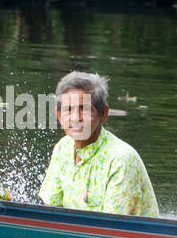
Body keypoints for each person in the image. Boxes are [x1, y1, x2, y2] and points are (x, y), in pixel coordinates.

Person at [38, 71, 160, 217]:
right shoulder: (62, 148)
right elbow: (52, 210)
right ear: (58, 115)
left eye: (85, 109)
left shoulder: (121, 159)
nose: (76, 118)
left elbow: (112, 227)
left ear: (103, 114)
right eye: (68, 110)